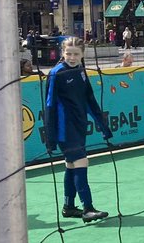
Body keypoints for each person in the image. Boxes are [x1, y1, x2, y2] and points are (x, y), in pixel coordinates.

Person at [45, 37, 112, 223]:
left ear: (83, 54)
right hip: (64, 129)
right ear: (62, 53)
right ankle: (88, 208)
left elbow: (89, 99)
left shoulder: (81, 71)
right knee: (82, 163)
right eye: (68, 53)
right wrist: (50, 136)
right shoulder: (56, 74)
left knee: (72, 165)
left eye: (76, 54)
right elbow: (49, 106)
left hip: (79, 125)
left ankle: (68, 206)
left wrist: (102, 124)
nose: (72, 57)